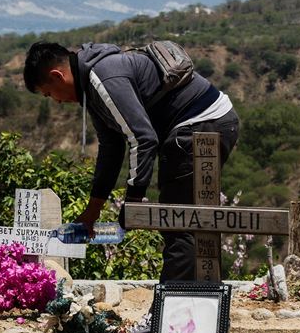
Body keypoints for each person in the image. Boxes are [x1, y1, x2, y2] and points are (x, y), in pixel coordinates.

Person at [23, 41, 239, 283]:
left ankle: (174, 313)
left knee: (181, 223)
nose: (57, 101)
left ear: (57, 76)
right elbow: (111, 149)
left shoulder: (103, 79)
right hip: (205, 123)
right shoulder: (90, 88)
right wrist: (92, 212)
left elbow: (143, 139)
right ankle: (191, 304)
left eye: (49, 94)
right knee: (183, 221)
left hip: (202, 125)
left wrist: (133, 201)